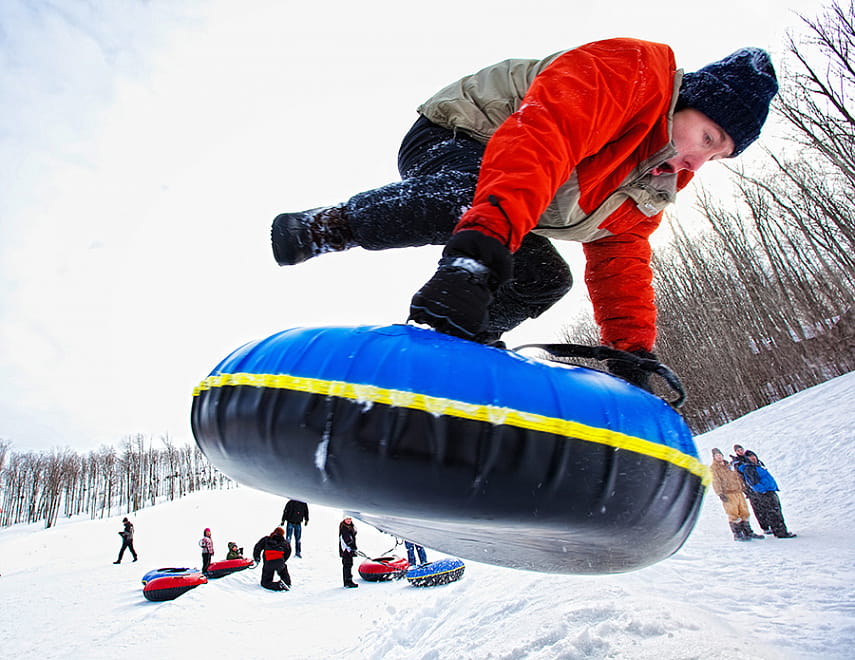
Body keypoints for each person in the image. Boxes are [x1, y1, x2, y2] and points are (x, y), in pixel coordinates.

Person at [271, 39, 778, 385]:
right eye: (707, 138)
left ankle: (459, 344)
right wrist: (474, 266)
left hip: (514, 196)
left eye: (717, 156)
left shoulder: (659, 180)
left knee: (545, 278)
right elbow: (540, 142)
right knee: (467, 194)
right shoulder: (632, 74)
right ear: (688, 102)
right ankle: (325, 226)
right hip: (467, 135)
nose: (700, 159)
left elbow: (621, 255)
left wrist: (632, 350)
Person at [737, 451, 797, 539]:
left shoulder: (758, 465)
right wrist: (763, 491)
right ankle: (781, 532)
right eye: (750, 457)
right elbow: (753, 483)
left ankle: (777, 530)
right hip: (765, 493)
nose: (753, 458)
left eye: (753, 456)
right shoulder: (749, 468)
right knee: (773, 512)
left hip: (770, 490)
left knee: (775, 511)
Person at [709, 448, 763, 541]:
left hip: (738, 491)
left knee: (744, 511)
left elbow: (737, 477)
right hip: (728, 493)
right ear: (714, 457)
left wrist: (743, 487)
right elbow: (715, 481)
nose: (719, 457)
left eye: (720, 455)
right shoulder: (714, 468)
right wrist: (720, 493)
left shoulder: (729, 465)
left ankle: (748, 531)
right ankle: (737, 533)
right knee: (733, 513)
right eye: (717, 456)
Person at [731, 444, 772, 534]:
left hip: (757, 484)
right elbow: (739, 476)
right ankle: (765, 527)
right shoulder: (736, 462)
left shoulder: (749, 457)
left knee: (765, 506)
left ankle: (771, 523)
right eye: (738, 450)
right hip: (748, 487)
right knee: (757, 508)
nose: (740, 451)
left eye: (741, 449)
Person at [253, 527, 292, 591]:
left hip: (268, 563)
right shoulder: (285, 542)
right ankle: (286, 583)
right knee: (284, 574)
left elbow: (258, 547)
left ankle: (278, 585)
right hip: (280, 562)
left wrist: (257, 557)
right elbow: (288, 551)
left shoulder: (266, 539)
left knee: (265, 583)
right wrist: (283, 560)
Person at [339, 516, 359, 588]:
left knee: (349, 564)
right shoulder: (344, 528)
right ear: (344, 520)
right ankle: (348, 581)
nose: (349, 520)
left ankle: (348, 580)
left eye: (350, 519)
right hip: (346, 550)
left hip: (349, 550)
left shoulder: (350, 527)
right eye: (347, 519)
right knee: (347, 565)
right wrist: (352, 547)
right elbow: (347, 539)